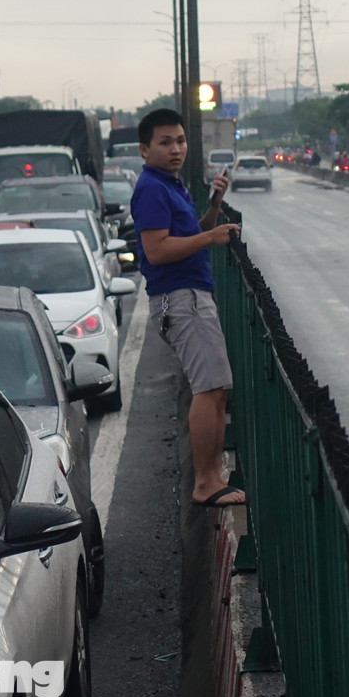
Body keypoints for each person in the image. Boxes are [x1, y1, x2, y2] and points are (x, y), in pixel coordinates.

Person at [130, 108, 244, 509]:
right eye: (165, 142)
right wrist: (211, 237)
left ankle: (212, 477)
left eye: (180, 140)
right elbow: (157, 250)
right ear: (145, 149)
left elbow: (190, 234)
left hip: (191, 294)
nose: (175, 148)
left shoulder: (170, 184)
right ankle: (206, 483)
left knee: (216, 388)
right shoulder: (151, 189)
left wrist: (214, 206)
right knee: (209, 388)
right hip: (182, 298)